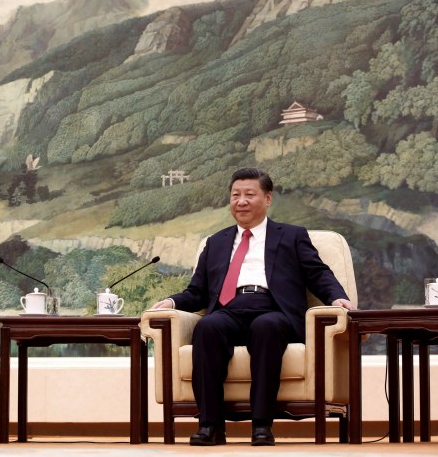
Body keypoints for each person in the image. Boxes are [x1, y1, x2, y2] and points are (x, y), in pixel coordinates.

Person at [150, 167, 355, 446]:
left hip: (273, 309)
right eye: (235, 195)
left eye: (249, 194)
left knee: (266, 327)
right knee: (207, 327)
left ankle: (261, 425)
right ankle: (210, 425)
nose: (241, 201)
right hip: (229, 310)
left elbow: (318, 273)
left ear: (268, 199)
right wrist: (172, 302)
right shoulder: (216, 242)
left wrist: (336, 297)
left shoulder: (292, 236)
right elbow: (197, 291)